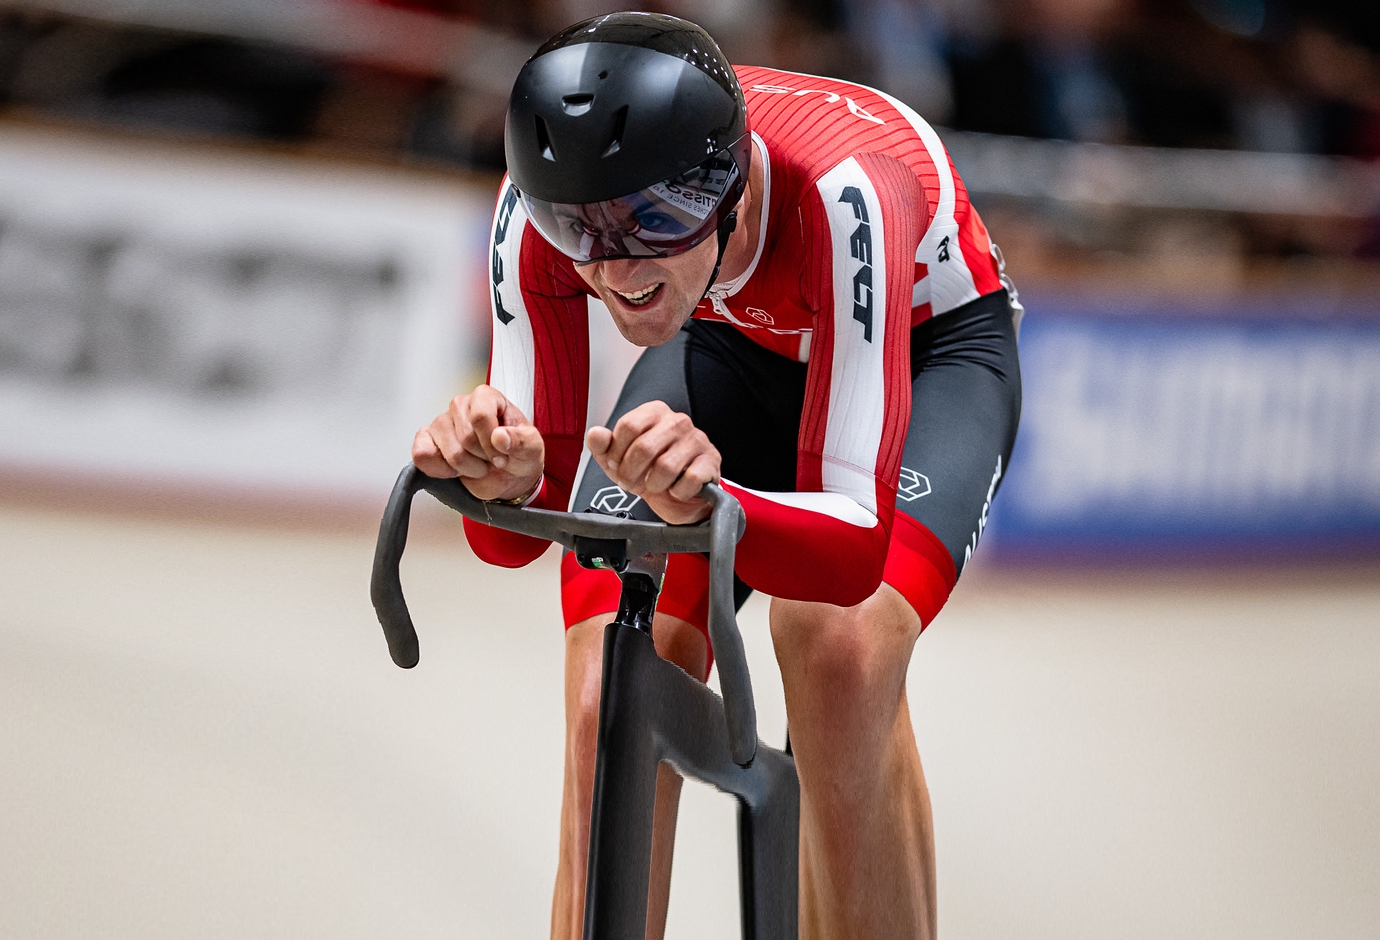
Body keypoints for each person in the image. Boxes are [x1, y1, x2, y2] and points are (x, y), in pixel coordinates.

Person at [411, 12, 1021, 939]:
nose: (616, 270)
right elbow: (509, 540)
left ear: (728, 187)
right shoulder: (537, 205)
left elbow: (847, 558)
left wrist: (706, 502)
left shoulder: (845, 191)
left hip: (927, 352)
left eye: (657, 222)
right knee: (613, 678)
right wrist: (500, 473)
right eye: (579, 231)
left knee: (838, 648)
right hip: (730, 344)